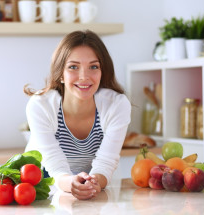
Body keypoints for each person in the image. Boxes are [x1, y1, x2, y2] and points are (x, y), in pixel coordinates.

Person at [24, 30, 131, 200]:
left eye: (93, 67)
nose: (84, 77)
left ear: (102, 71)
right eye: (73, 67)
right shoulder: (41, 105)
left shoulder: (117, 105)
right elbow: (53, 165)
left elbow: (106, 162)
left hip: (90, 190)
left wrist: (94, 182)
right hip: (40, 189)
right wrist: (70, 182)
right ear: (61, 74)